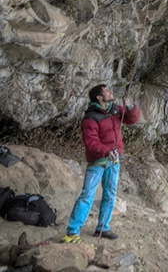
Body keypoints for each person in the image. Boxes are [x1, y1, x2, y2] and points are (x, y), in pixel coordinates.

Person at [62, 84, 140, 243]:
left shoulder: (116, 109)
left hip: (114, 161)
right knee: (87, 195)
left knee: (110, 195)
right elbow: (90, 142)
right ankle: (72, 232)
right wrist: (106, 151)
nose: (111, 92)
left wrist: (130, 106)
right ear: (99, 97)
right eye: (107, 91)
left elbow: (133, 119)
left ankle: (103, 228)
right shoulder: (90, 118)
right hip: (97, 162)